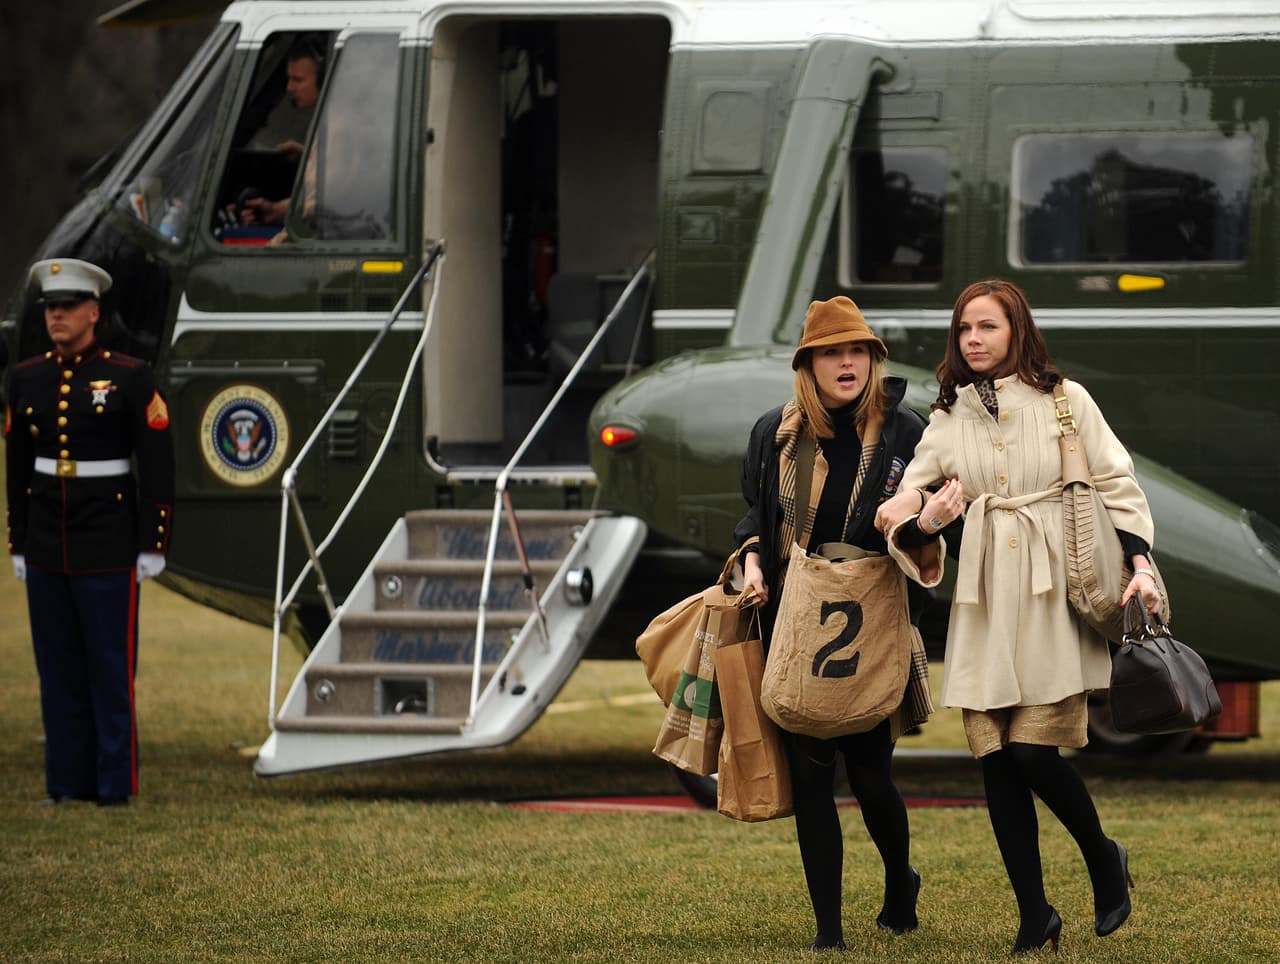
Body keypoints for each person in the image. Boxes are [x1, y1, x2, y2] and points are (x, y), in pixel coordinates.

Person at [876, 279, 1162, 954]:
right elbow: (903, 506)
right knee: (997, 762)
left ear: (1018, 331)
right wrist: (926, 519)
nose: (974, 340)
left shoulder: (1068, 402)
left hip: (1052, 589)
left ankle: (1101, 855)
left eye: (988, 327)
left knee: (1035, 751)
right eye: (965, 330)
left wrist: (1141, 564)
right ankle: (1036, 917)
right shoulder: (947, 417)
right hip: (984, 596)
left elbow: (1118, 483)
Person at [733, 295, 934, 951]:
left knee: (872, 771)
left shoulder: (905, 431)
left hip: (872, 618)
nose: (846, 363)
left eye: (858, 352)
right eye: (832, 352)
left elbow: (935, 517)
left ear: (873, 360)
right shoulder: (777, 433)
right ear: (809, 364)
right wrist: (753, 563)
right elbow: (753, 517)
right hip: (793, 620)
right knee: (812, 773)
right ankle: (828, 931)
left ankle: (899, 881)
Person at [5, 258, 175, 808]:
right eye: (51, 308)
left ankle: (112, 785)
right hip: (50, 539)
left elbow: (157, 463)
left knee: (108, 667)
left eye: (67, 307)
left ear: (94, 312)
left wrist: (153, 542)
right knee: (56, 668)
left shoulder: (130, 375)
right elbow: (17, 466)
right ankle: (64, 783)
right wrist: (19, 540)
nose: (56, 316)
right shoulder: (27, 377)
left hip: (108, 536)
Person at [239, 40, 324, 228]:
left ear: (323, 79)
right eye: (289, 79)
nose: (289, 88)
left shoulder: (338, 126)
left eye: (298, 80)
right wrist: (306, 156)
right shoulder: (326, 120)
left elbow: (327, 202)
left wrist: (278, 210)